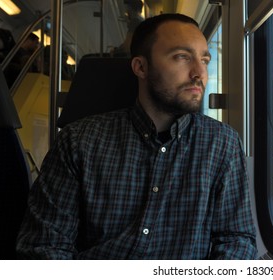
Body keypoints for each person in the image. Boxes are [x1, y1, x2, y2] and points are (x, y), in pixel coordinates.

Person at [16, 13, 257, 259]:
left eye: (204, 59)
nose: (199, 73)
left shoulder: (222, 143)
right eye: (182, 57)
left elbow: (236, 239)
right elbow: (44, 246)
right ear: (140, 67)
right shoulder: (78, 141)